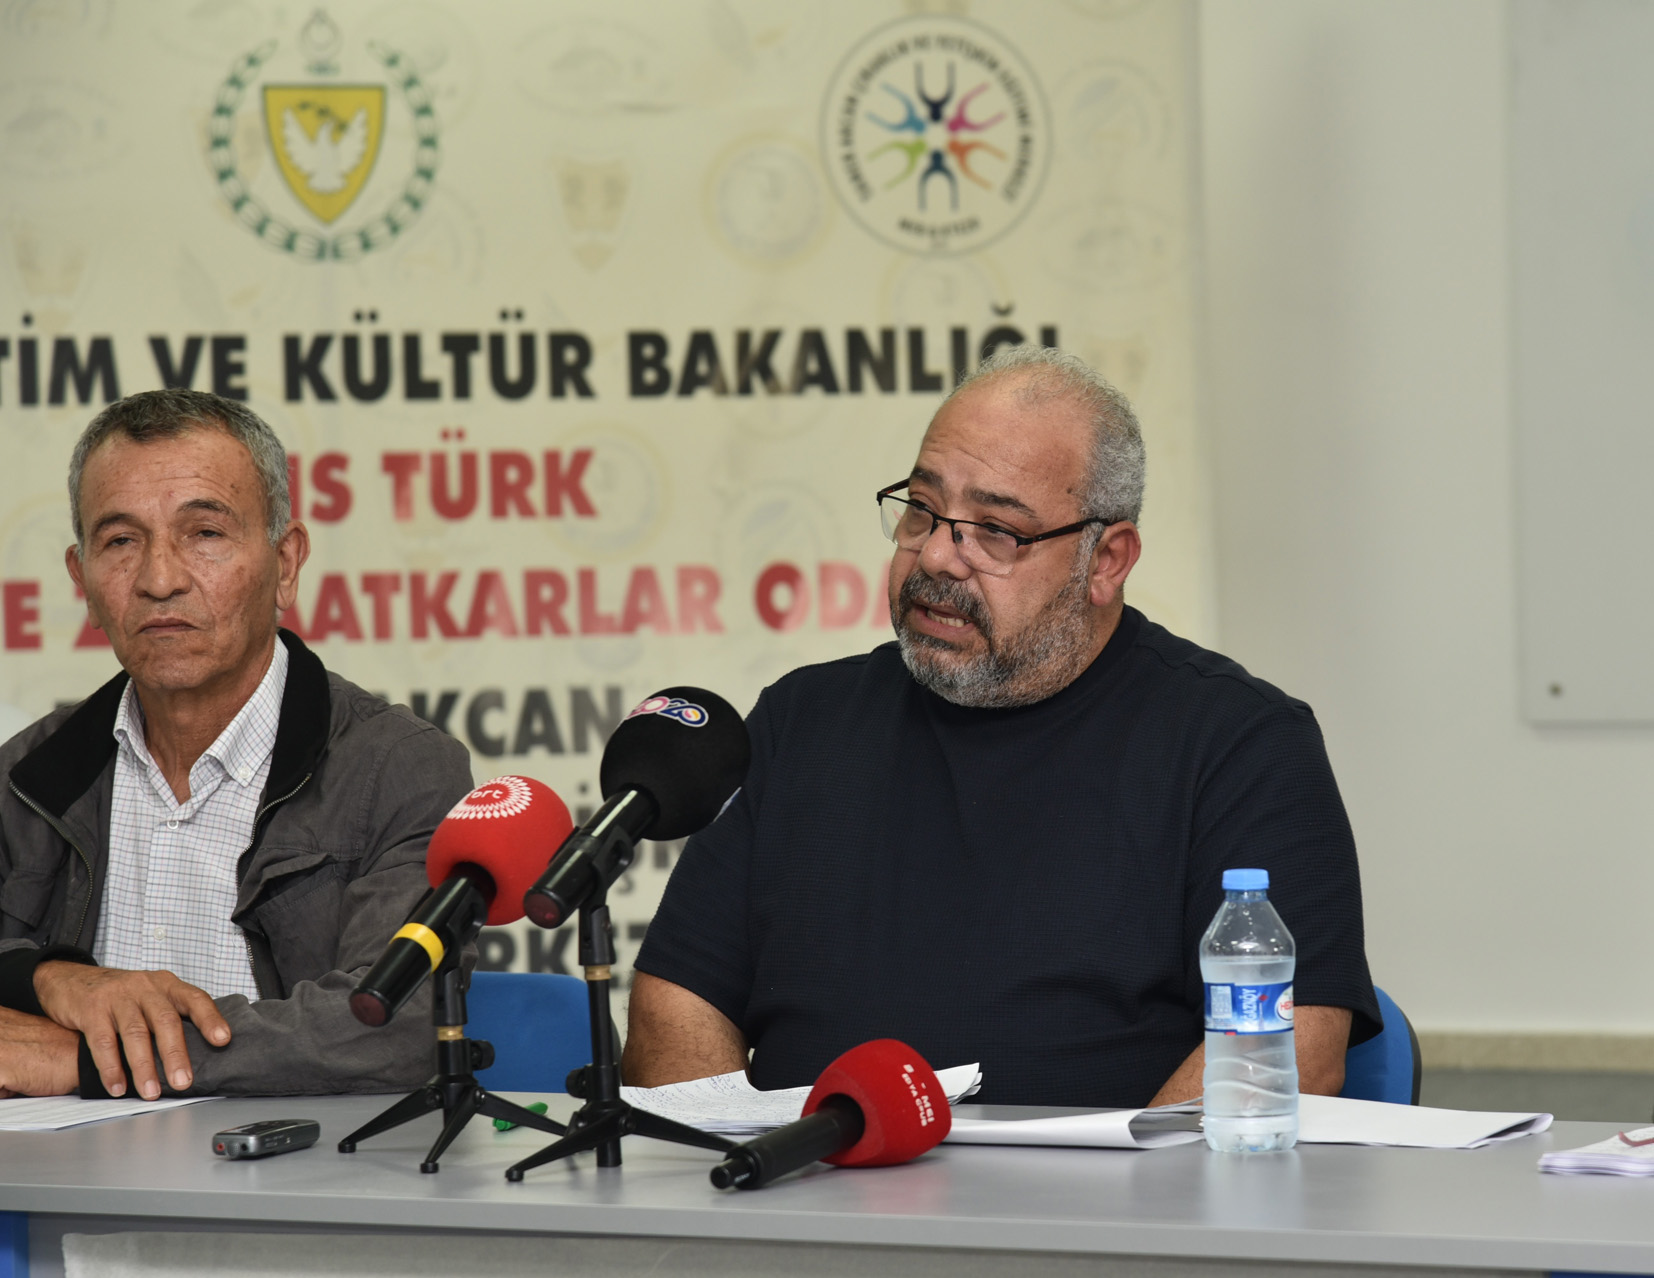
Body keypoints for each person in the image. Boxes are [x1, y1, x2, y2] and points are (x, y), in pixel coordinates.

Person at [626, 346, 1380, 1107]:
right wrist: (735, 1153)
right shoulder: (801, 721)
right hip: (800, 1176)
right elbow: (678, 998)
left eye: (995, 530)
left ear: (1106, 560)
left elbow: (1283, 1051)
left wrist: (1129, 1184)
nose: (938, 556)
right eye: (922, 510)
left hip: (1104, 1184)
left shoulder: (1242, 746)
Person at [0, 389, 472, 1100]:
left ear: (286, 562)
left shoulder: (399, 768)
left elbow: (393, 1026)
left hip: (300, 1168)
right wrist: (44, 976)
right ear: (83, 581)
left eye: (205, 533)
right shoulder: (27, 776)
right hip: (69, 1174)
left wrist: (94, 1060)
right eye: (121, 541)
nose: (160, 580)